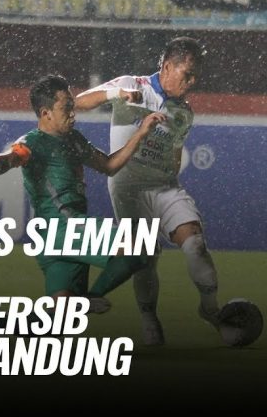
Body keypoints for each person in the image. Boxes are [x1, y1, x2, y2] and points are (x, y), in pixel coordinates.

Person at [0, 74, 166, 310]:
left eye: (72, 106)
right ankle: (90, 298)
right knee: (144, 244)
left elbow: (109, 166)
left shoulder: (74, 139)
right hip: (64, 228)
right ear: (46, 113)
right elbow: (5, 161)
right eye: (66, 108)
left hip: (50, 238)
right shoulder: (32, 143)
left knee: (57, 317)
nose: (73, 113)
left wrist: (141, 133)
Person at [75, 37, 219, 346]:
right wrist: (116, 93)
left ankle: (210, 309)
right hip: (128, 187)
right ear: (167, 67)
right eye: (187, 74)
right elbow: (79, 102)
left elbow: (176, 154)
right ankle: (149, 318)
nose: (192, 82)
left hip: (164, 186)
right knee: (145, 256)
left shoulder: (184, 112)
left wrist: (169, 183)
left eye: (196, 76)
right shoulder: (133, 85)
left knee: (195, 243)